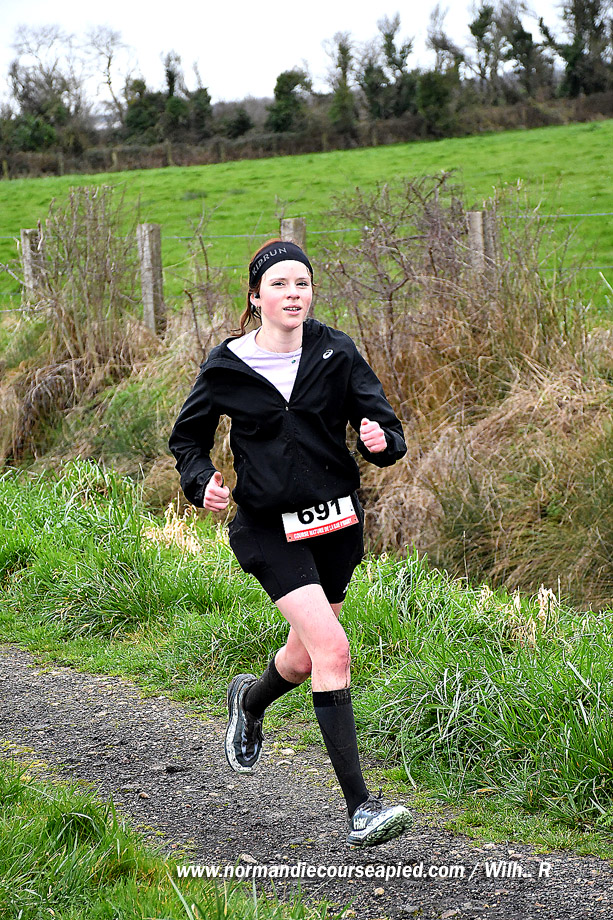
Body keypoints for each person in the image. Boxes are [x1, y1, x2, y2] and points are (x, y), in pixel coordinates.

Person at [169, 238, 412, 847]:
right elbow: (187, 440)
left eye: (301, 283)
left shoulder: (336, 351)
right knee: (333, 650)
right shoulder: (227, 365)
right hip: (266, 528)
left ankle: (250, 702)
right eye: (279, 284)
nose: (293, 293)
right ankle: (361, 810)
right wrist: (202, 483)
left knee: (303, 661)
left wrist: (381, 441)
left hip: (335, 526)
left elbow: (387, 426)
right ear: (256, 298)